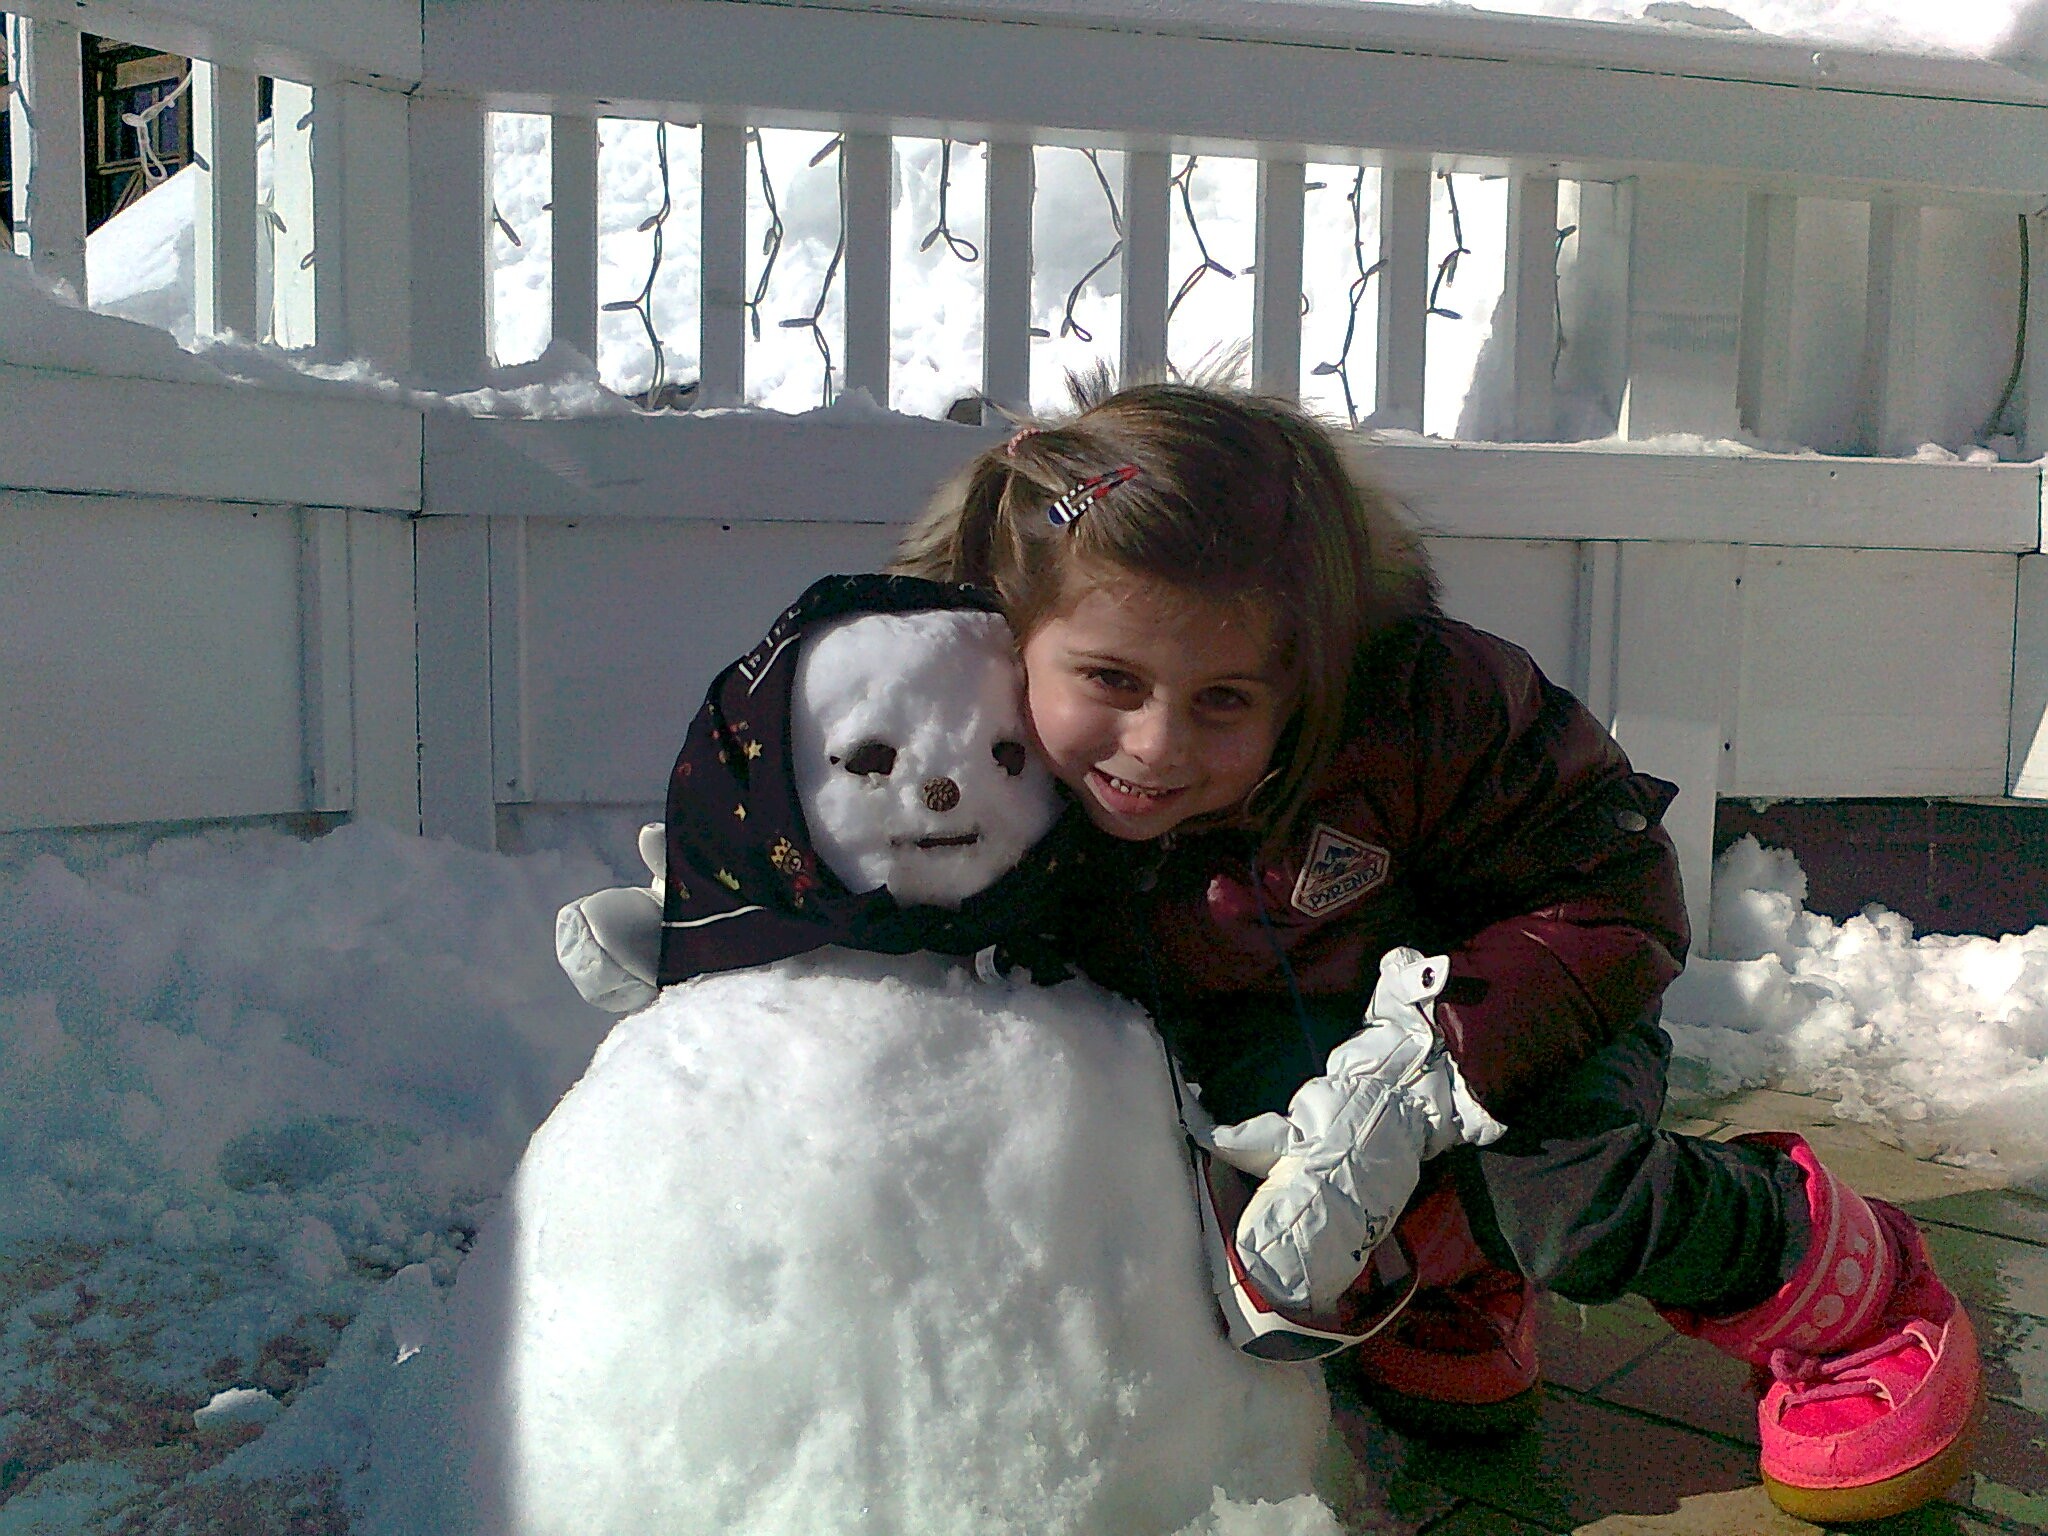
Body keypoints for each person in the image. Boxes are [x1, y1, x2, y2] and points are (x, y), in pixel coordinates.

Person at [889, 374, 1982, 1526]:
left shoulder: (1420, 706)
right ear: (1015, 631)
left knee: (1565, 1198)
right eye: (1111, 681)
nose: (1154, 745)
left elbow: (1610, 889)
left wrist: (1440, 1058)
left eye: (1224, 699)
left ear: (1310, 664)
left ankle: (1836, 1283)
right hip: (1279, 1030)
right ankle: (1445, 1270)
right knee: (1195, 1170)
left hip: (1527, 1000)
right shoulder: (968, 740)